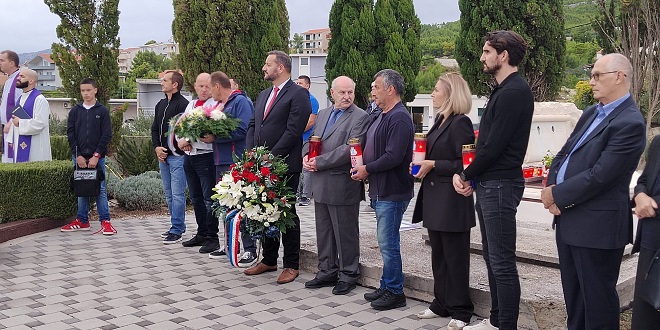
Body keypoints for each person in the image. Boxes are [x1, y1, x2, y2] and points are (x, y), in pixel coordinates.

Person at [542, 53, 646, 330]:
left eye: (597, 75)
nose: (591, 82)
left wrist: (557, 195)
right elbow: (564, 153)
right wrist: (551, 186)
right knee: (574, 300)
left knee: (597, 305)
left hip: (598, 228)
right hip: (568, 220)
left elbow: (601, 175)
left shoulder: (631, 123)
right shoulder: (591, 112)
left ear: (619, 77)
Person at [453, 31, 534, 330]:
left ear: (504, 55)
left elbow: (494, 147)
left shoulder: (514, 91)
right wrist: (473, 178)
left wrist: (465, 175)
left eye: (488, 51)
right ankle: (497, 320)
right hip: (490, 184)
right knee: (492, 258)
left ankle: (505, 325)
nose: (482, 57)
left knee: (501, 262)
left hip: (500, 184)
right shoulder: (504, 90)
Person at [411, 73, 475, 329]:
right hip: (436, 199)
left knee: (455, 257)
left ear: (450, 94)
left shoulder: (461, 123)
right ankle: (441, 302)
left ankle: (461, 310)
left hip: (452, 200)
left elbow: (466, 162)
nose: (433, 94)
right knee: (439, 255)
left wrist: (433, 164)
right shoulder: (440, 120)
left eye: (437, 90)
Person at [243, 50, 311, 284]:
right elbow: (253, 124)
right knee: (265, 211)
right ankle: (269, 259)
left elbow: (293, 131)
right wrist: (253, 154)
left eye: (267, 64)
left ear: (280, 67)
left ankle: (291, 264)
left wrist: (271, 157)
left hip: (284, 165)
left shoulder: (298, 94)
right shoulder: (263, 95)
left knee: (286, 212)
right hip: (262, 164)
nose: (264, 68)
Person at [351, 69, 414, 311]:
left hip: (392, 190)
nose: (372, 92)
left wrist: (367, 169)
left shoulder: (399, 117)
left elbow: (393, 157)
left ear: (391, 89)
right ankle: (387, 285)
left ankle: (396, 291)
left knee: (388, 242)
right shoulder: (381, 114)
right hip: (379, 189)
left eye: (376, 87)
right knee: (384, 240)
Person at [302, 76, 369, 295]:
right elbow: (311, 139)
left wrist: (318, 162)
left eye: (350, 92)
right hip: (320, 182)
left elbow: (349, 150)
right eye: (342, 92)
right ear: (332, 93)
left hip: (342, 183)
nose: (347, 96)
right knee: (324, 231)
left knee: (345, 232)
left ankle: (348, 273)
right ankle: (326, 270)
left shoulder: (360, 117)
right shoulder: (322, 114)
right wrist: (305, 155)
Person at [201, 71, 256, 266]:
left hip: (235, 161)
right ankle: (230, 245)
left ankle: (250, 249)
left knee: (242, 205)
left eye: (208, 86)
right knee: (225, 204)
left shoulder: (240, 102)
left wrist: (215, 137)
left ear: (217, 86)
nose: (206, 91)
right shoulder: (220, 105)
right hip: (220, 160)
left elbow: (243, 129)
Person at [62, 78, 114, 235]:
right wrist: (77, 155)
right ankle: (82, 221)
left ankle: (105, 221)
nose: (85, 93)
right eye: (83, 90)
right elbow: (70, 133)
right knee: (82, 188)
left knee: (100, 189)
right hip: (79, 157)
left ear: (95, 90)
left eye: (88, 90)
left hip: (96, 158)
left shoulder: (102, 111)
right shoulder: (75, 111)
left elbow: (106, 135)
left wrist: (96, 156)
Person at [176, 73, 218, 246]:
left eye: (207, 86)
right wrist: (182, 140)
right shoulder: (191, 104)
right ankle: (201, 232)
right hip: (190, 157)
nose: (204, 89)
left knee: (209, 199)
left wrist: (188, 139)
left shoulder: (216, 105)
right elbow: (181, 125)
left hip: (206, 156)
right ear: (195, 87)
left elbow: (208, 130)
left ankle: (212, 237)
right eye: (200, 86)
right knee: (196, 198)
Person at [152, 71, 189, 244]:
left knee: (177, 194)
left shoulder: (183, 104)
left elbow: (183, 132)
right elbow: (154, 129)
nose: (162, 83)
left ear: (175, 85)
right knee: (168, 195)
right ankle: (176, 226)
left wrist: (168, 148)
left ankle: (177, 229)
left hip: (177, 157)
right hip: (163, 157)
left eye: (165, 80)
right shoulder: (160, 104)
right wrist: (157, 148)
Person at [631, 135, 660, 329]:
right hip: (651, 240)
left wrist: (653, 204)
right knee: (645, 316)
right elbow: (644, 179)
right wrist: (640, 195)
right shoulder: (658, 142)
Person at [6, 68, 52, 162]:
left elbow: (41, 123)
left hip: (35, 146)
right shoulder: (20, 99)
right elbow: (15, 119)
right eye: (18, 76)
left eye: (22, 76)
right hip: (19, 142)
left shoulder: (40, 100)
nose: (18, 78)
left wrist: (20, 122)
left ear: (31, 81)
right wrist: (12, 138)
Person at [295, 75, 320, 206]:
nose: (297, 85)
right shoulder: (294, 99)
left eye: (300, 83)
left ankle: (306, 195)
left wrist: (295, 131)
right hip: (295, 138)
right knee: (296, 166)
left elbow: (311, 121)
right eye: (297, 83)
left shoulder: (312, 100)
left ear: (307, 85)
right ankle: (297, 193)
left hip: (306, 139)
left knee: (307, 167)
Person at [0, 50, 22, 163]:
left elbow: (20, 104)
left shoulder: (19, 80)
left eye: (2, 60)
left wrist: (9, 123)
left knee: (11, 160)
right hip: (5, 127)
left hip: (13, 126)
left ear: (11, 63)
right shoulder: (9, 80)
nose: (0, 63)